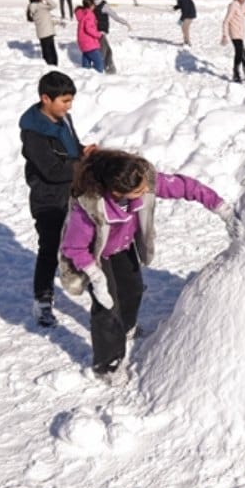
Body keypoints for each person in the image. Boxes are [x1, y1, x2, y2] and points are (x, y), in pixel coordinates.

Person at [59, 149, 232, 385]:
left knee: (133, 289)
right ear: (117, 191)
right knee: (107, 306)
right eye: (138, 192)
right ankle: (107, 364)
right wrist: (96, 278)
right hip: (96, 255)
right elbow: (73, 247)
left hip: (122, 246)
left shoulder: (141, 179)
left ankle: (126, 328)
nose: (146, 191)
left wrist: (220, 207)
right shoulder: (89, 207)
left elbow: (185, 187)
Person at [19, 72, 97, 327]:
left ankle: (100, 295)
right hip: (48, 200)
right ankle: (42, 300)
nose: (69, 106)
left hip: (73, 195)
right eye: (64, 101)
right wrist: (81, 166)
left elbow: (71, 148)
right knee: (50, 248)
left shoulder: (64, 119)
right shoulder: (33, 133)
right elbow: (52, 170)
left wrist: (83, 151)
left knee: (85, 242)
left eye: (70, 100)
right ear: (46, 99)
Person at [90, 0, 131, 74]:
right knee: (105, 52)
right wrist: (126, 23)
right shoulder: (104, 6)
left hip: (93, 31)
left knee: (105, 51)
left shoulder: (91, 4)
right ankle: (105, 70)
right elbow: (115, 17)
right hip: (100, 32)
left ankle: (107, 69)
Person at [26, 0, 59, 66]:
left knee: (50, 50)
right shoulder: (38, 6)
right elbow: (53, 5)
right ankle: (51, 65)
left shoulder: (38, 6)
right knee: (49, 51)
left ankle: (53, 64)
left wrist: (57, 22)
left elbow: (44, 19)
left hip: (46, 32)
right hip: (46, 33)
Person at [75, 0, 104, 73]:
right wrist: (98, 35)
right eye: (93, 5)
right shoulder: (89, 14)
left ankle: (85, 75)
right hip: (89, 42)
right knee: (99, 62)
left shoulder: (82, 13)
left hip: (82, 42)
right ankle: (98, 76)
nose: (94, 6)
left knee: (86, 61)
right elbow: (88, 28)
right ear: (91, 5)